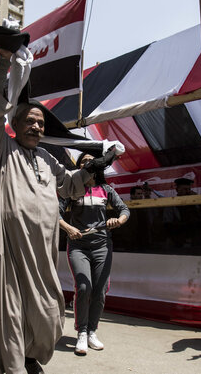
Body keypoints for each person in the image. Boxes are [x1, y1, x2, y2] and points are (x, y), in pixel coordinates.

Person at [0, 48, 96, 374]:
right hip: (7, 256)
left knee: (46, 314)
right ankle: (13, 367)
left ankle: (27, 357)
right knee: (9, 316)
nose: (37, 127)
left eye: (41, 123)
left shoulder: (47, 158)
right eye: (30, 120)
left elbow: (70, 185)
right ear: (15, 124)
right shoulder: (2, 147)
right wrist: (3, 60)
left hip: (40, 260)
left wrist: (93, 168)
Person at [59, 152, 130, 355]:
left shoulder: (106, 190)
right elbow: (55, 213)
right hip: (78, 246)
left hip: (102, 246)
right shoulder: (71, 190)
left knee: (100, 291)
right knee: (83, 287)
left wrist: (118, 221)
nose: (88, 164)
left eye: (91, 161)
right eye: (84, 162)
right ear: (79, 168)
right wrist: (68, 228)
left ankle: (92, 331)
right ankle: (81, 332)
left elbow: (125, 210)